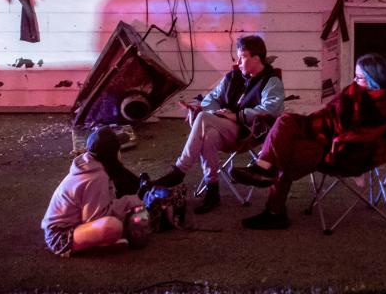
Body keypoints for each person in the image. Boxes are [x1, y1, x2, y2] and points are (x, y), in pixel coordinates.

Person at [231, 52, 386, 230]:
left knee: (287, 152)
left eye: (360, 77)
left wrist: (329, 132)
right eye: (355, 76)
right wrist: (314, 124)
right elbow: (330, 113)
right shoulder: (355, 91)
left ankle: (273, 206)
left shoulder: (380, 104)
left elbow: (360, 133)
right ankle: (265, 173)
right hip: (324, 138)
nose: (355, 81)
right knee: (285, 122)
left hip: (343, 151)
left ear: (375, 78)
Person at [151, 34, 285, 214]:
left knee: (203, 119)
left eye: (242, 57)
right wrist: (218, 113)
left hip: (247, 131)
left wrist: (236, 116)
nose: (238, 62)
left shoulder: (271, 80)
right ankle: (212, 189)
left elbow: (271, 109)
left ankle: (180, 170)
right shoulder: (232, 77)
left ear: (256, 58)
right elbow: (210, 99)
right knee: (209, 135)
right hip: (223, 127)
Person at [40, 126, 144, 256]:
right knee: (112, 226)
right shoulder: (96, 176)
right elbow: (94, 219)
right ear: (111, 154)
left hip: (73, 228)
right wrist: (129, 201)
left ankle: (100, 243)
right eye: (118, 150)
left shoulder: (92, 165)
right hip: (61, 237)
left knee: (124, 215)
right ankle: (97, 245)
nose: (120, 154)